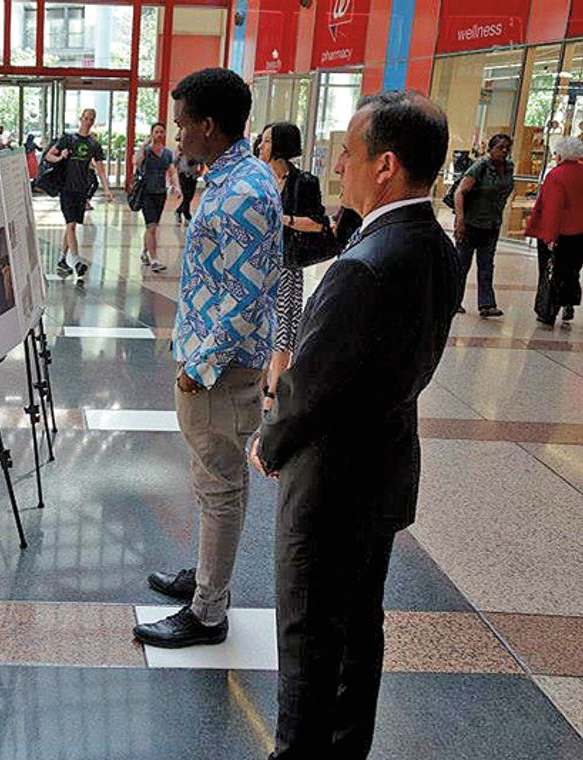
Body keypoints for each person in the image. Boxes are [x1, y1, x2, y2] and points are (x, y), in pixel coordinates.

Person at [249, 91, 461, 759]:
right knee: (357, 632)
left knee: (311, 641)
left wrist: (269, 440)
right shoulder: (435, 246)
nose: (339, 165)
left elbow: (312, 384)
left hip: (333, 484)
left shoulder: (365, 265)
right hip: (385, 468)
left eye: (349, 152)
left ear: (387, 165)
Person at [132, 68, 281, 649]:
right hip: (206, 357)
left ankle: (209, 612)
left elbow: (247, 293)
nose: (175, 133)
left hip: (220, 369)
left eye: (181, 123)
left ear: (209, 127)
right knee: (210, 476)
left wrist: (201, 364)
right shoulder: (226, 176)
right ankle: (207, 576)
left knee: (220, 484)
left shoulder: (245, 190)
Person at [260, 121, 330, 409]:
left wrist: (282, 219)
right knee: (264, 324)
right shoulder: (260, 178)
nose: (260, 147)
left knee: (283, 326)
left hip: (288, 264)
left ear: (280, 146)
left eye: (266, 142)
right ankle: (266, 379)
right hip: (261, 265)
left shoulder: (304, 183)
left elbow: (317, 224)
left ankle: (273, 389)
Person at [43, 108, 113, 282]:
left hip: (81, 190)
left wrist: (106, 189)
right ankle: (76, 261)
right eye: (86, 118)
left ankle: (61, 259)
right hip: (66, 189)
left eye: (91, 119)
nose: (88, 121)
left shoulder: (94, 145)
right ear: (81, 119)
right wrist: (60, 157)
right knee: (71, 225)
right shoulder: (68, 139)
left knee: (71, 226)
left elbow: (101, 169)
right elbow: (49, 156)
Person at [453, 132, 514, 317]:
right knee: (462, 264)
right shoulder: (480, 166)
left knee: (486, 265)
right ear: (490, 149)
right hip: (471, 223)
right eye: (500, 147)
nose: (504, 151)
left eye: (507, 148)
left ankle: (486, 304)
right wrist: (460, 220)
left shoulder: (509, 167)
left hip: (492, 224)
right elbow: (460, 192)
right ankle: (454, 301)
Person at [526, 136, 583, 326]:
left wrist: (549, 237)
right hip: (580, 233)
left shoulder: (556, 175)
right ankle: (569, 303)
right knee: (572, 270)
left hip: (561, 233)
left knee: (551, 272)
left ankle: (548, 310)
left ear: (560, 155)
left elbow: (553, 208)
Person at [132, 122, 180, 272]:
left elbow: (172, 171)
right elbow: (135, 161)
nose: (159, 134)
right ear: (152, 133)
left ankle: (145, 253)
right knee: (151, 226)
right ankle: (154, 259)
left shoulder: (167, 153)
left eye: (161, 132)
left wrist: (177, 186)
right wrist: (143, 145)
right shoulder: (146, 151)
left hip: (160, 192)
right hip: (146, 192)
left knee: (152, 226)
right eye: (156, 132)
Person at [174, 139, 202, 226]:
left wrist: (199, 170)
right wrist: (178, 156)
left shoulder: (196, 150)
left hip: (193, 175)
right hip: (183, 174)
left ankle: (178, 211)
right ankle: (187, 216)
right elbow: (174, 163)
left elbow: (201, 161)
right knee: (186, 195)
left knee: (190, 196)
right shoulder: (180, 151)